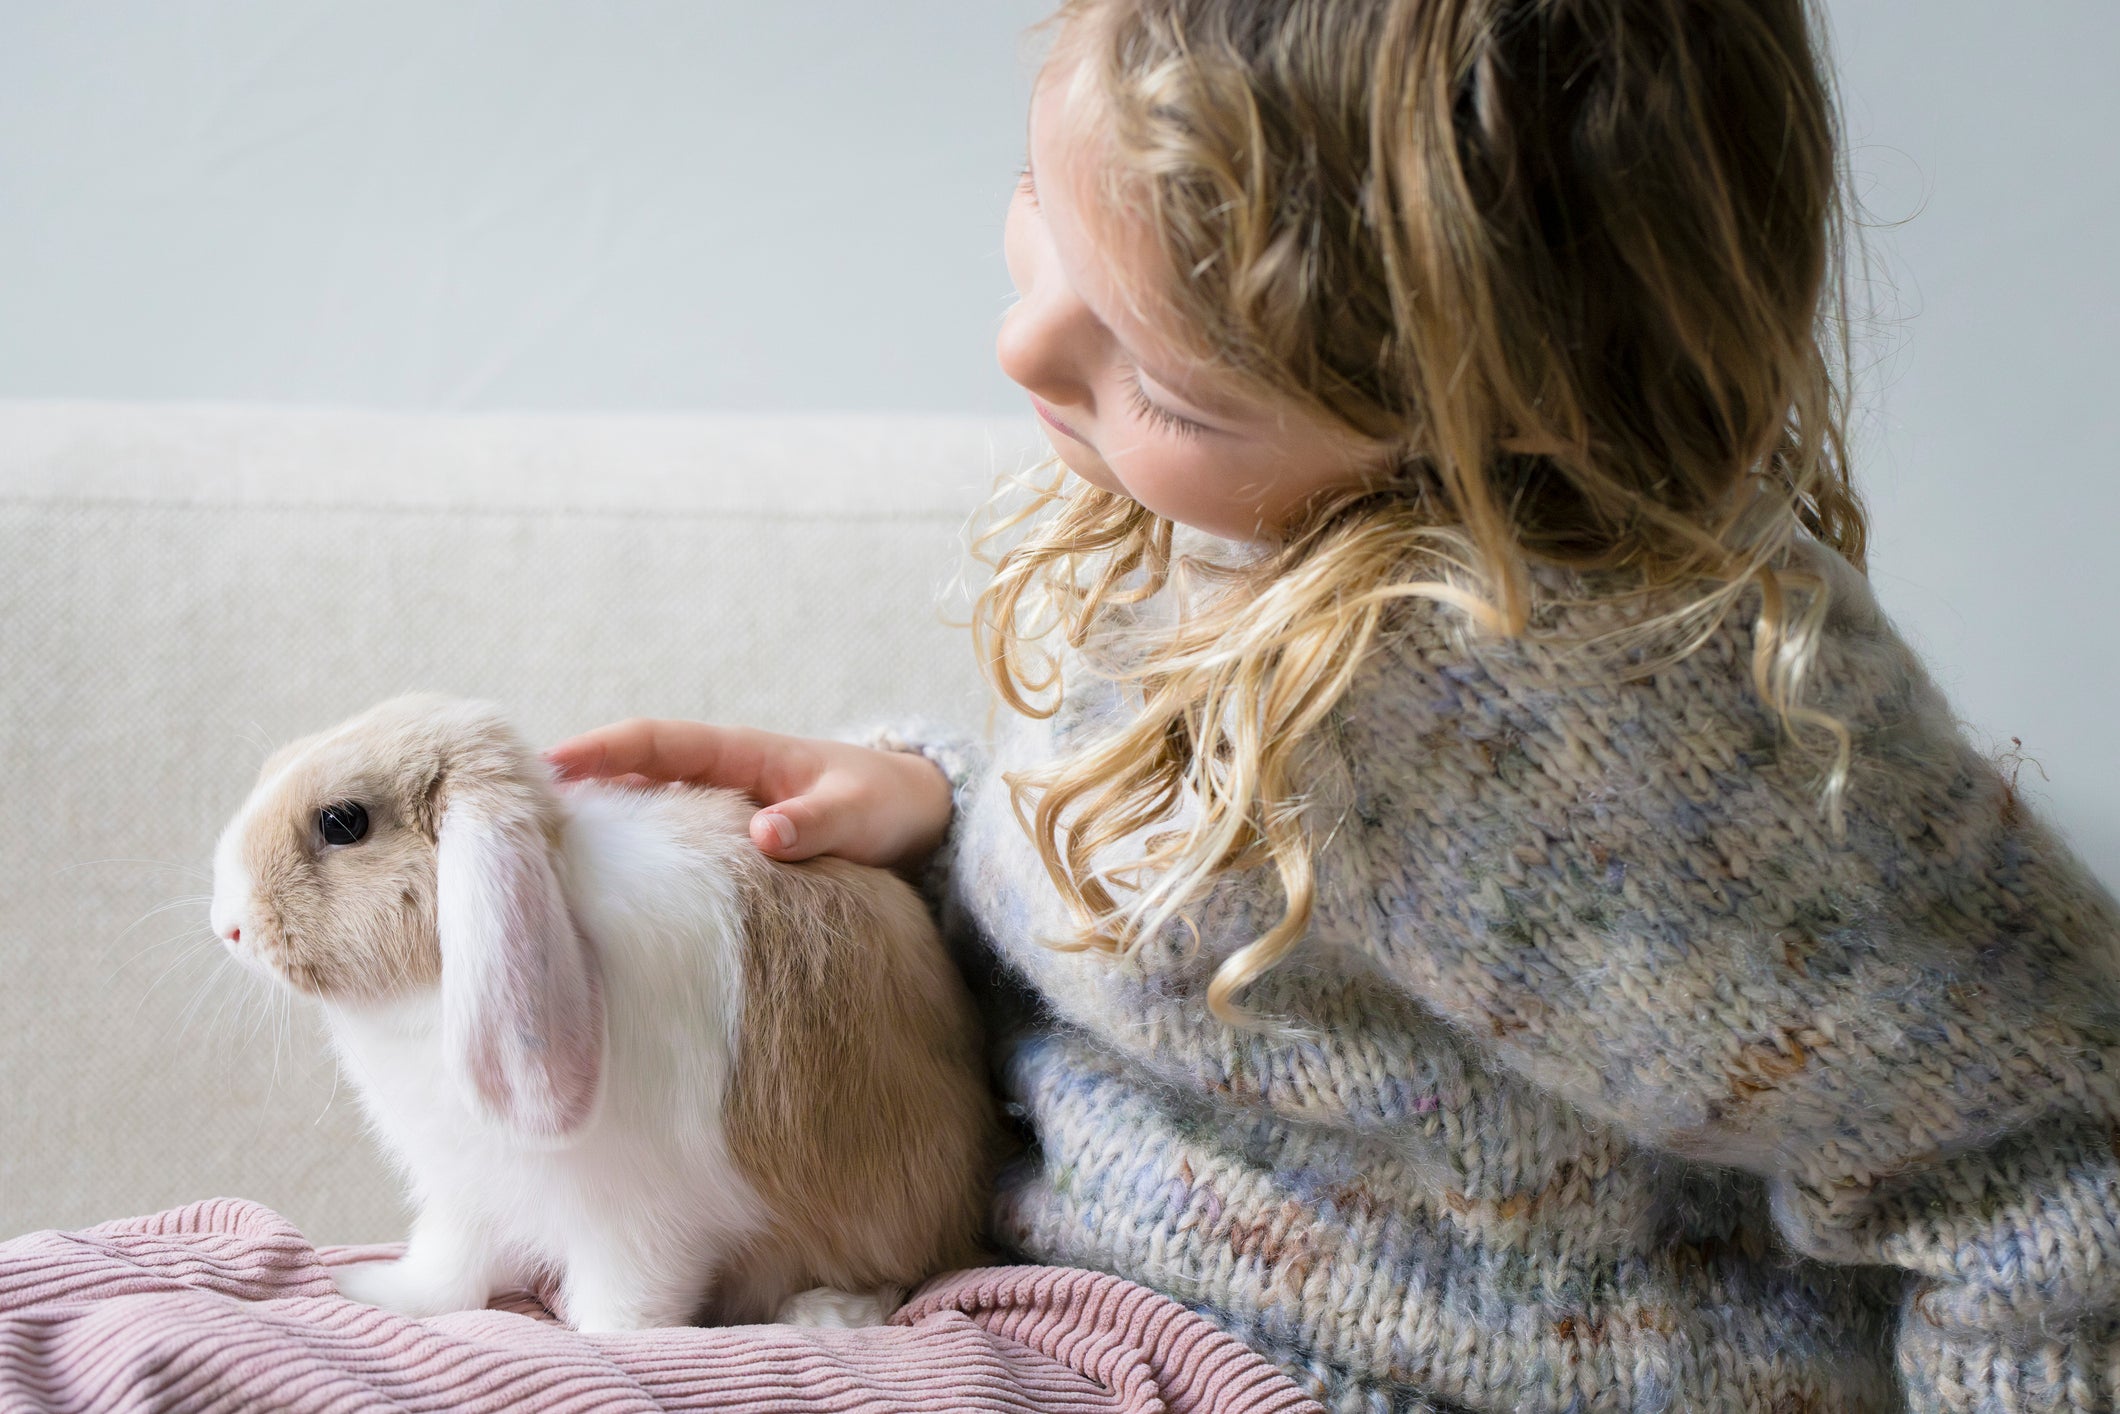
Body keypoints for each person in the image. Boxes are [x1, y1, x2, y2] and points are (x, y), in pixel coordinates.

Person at [548, 1, 2120, 1408]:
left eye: (1168, 383)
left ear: (1493, 412)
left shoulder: (1572, 707)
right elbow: (1253, 970)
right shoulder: (1264, 515)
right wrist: (954, 819)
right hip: (1087, 1283)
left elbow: (2052, 1166)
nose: (1021, 341)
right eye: (1041, 201)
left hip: (1340, 1365)